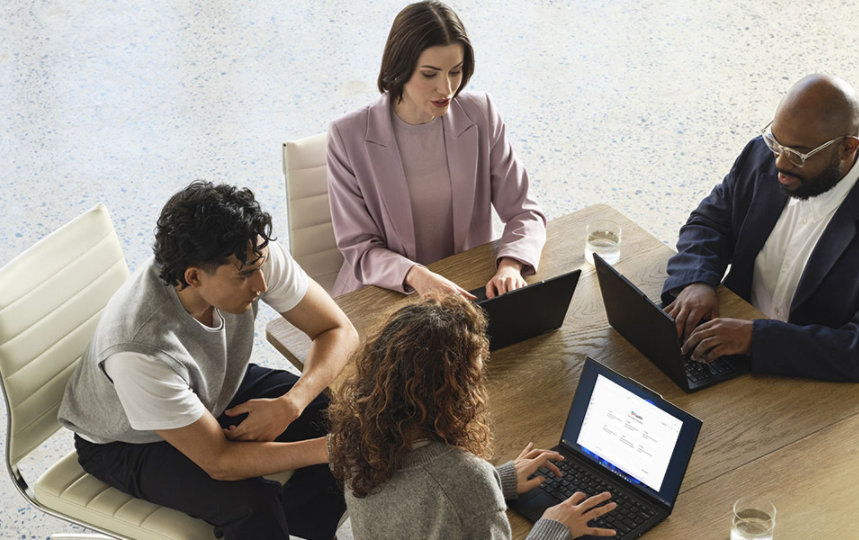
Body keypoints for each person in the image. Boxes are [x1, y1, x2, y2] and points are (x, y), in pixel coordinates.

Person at [58, 181, 359, 539]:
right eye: (245, 276)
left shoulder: (248, 253)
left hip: (208, 386)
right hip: (129, 439)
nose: (261, 284)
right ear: (194, 277)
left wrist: (292, 404)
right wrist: (330, 449)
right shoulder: (140, 348)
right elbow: (220, 463)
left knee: (329, 412)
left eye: (259, 267)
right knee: (250, 505)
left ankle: (310, 525)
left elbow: (338, 330)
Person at [328, 294, 616, 539]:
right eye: (473, 380)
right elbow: (443, 488)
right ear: (449, 394)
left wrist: (495, 480)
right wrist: (554, 526)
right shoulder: (463, 477)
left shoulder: (360, 433)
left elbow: (414, 507)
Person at [326, 1, 546, 299]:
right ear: (399, 68)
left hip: (466, 285)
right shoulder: (347, 136)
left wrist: (510, 265)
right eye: (430, 74)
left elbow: (525, 212)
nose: (446, 89)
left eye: (455, 71)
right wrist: (417, 276)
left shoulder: (481, 114)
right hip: (386, 293)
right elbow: (360, 249)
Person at [662, 74, 859, 381]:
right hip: (724, 349)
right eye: (775, 142)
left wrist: (755, 338)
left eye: (797, 154)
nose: (779, 163)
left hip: (815, 385)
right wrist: (697, 281)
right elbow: (710, 221)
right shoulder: (761, 156)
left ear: (847, 149)